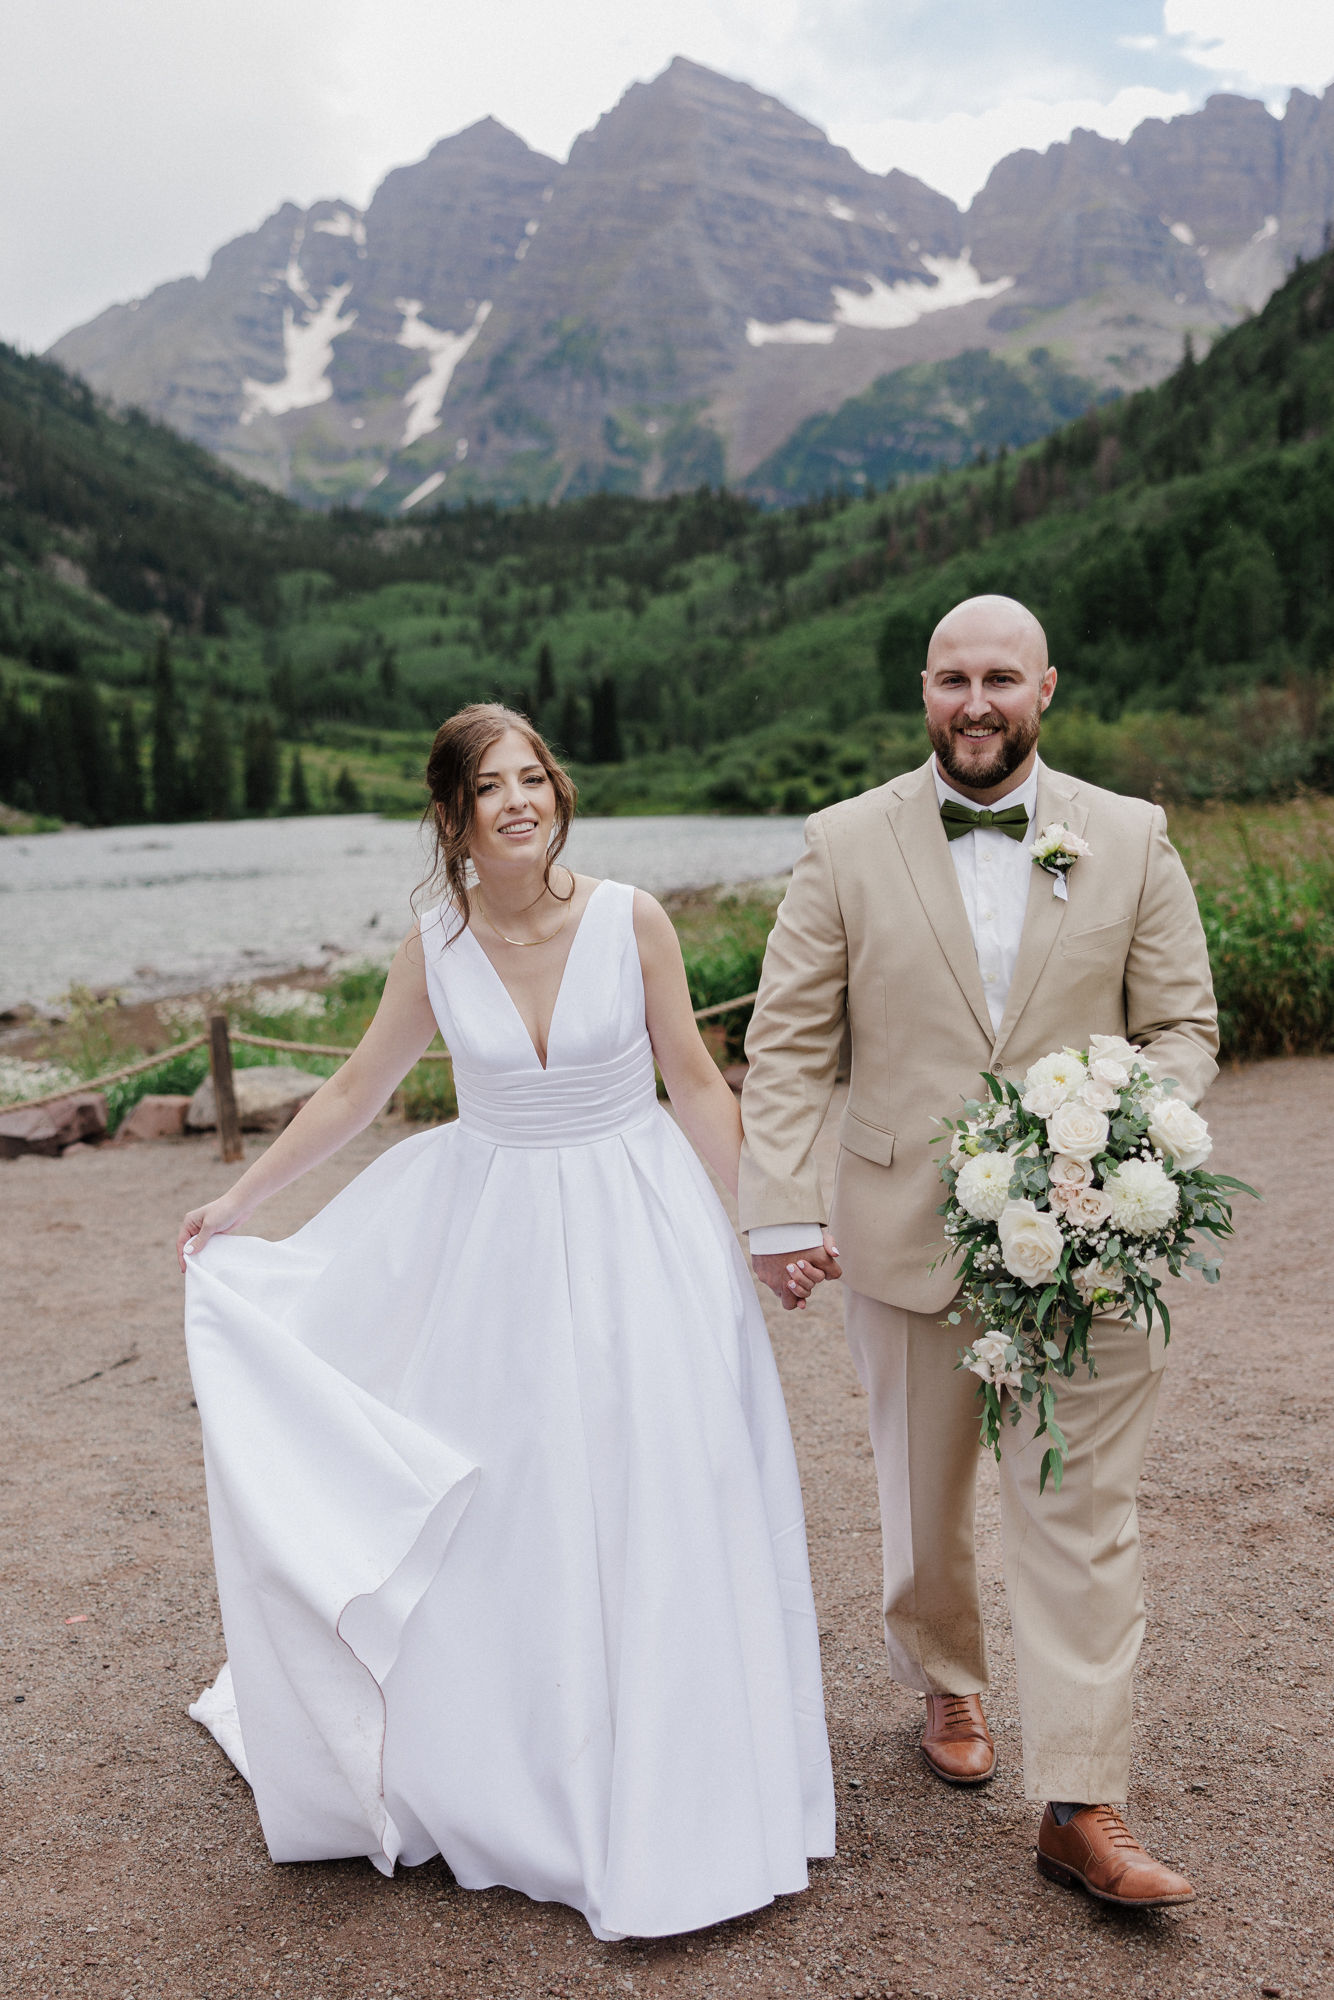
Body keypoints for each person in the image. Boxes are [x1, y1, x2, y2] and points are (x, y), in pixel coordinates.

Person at [178, 704, 835, 1943]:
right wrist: (238, 1198)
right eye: (493, 786)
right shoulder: (434, 943)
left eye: (534, 777)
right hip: (495, 1251)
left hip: (641, 1231)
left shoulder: (630, 916)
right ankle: (522, 1766)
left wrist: (769, 1225)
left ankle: (671, 1770)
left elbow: (694, 1078)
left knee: (657, 1488)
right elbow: (356, 1086)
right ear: (453, 815)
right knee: (513, 1503)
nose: (521, 800)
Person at [739, 596, 1218, 1908]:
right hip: (902, 1234)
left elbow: (1179, 1025)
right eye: (952, 678)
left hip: (1088, 1241)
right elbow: (785, 1042)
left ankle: (1080, 1800)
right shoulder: (842, 844)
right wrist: (777, 1207)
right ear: (923, 690)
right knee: (923, 1500)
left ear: (1045, 688)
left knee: (1080, 1515)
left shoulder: (1128, 836)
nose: (974, 701)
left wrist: (1124, 1141)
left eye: (998, 676)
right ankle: (945, 1680)